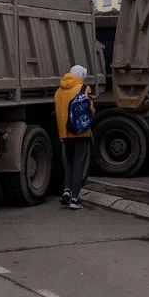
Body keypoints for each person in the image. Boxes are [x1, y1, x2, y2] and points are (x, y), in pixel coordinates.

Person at [54, 63, 94, 210]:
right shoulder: (84, 89)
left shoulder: (58, 92)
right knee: (79, 164)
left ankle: (66, 190)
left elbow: (59, 114)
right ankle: (75, 199)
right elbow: (90, 109)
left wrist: (61, 134)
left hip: (65, 134)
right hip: (81, 133)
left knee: (69, 163)